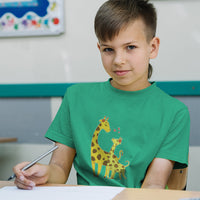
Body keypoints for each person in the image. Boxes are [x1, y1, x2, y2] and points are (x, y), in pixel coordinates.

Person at [13, 0, 190, 190]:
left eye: (130, 47)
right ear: (99, 49)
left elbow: (154, 184)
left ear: (152, 47)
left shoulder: (175, 112)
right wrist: (44, 173)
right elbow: (59, 169)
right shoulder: (76, 98)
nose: (118, 60)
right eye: (108, 49)